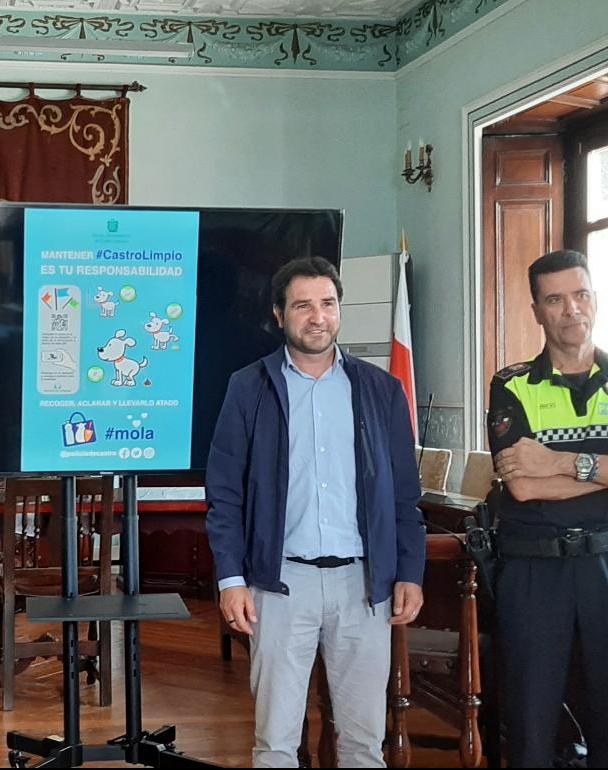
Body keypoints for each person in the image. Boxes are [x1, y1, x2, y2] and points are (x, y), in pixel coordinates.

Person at [205, 256, 426, 768]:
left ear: (339, 312)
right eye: (303, 306)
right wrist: (230, 579)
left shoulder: (380, 390)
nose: (318, 317)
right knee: (276, 742)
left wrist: (409, 572)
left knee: (363, 743)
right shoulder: (248, 387)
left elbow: (403, 495)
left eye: (328, 304)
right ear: (280, 315)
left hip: (363, 586)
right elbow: (225, 493)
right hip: (279, 585)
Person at [487, 249, 608, 768]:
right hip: (535, 571)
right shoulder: (513, 384)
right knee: (530, 725)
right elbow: (522, 487)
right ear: (537, 311)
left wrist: (561, 462)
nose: (572, 309)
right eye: (556, 299)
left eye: (581, 294)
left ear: (595, 298)